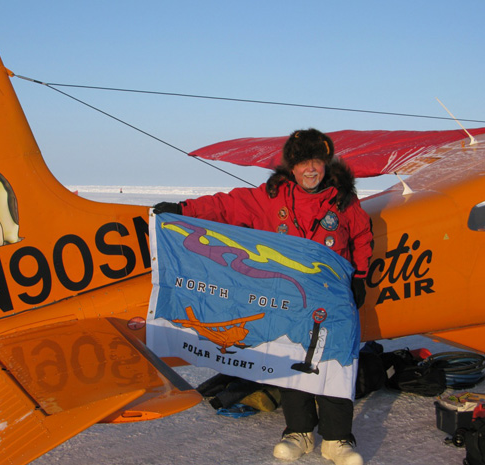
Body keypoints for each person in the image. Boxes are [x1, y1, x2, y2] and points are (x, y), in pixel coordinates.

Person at [154, 128, 373, 465]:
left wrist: (358, 275)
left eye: (316, 161)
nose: (310, 170)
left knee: (336, 364)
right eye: (302, 163)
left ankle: (337, 440)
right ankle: (298, 433)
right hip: (290, 296)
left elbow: (361, 234)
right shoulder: (272, 197)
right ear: (292, 166)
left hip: (332, 297)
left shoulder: (343, 200)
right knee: (289, 360)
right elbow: (228, 206)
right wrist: (184, 209)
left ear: (325, 163)